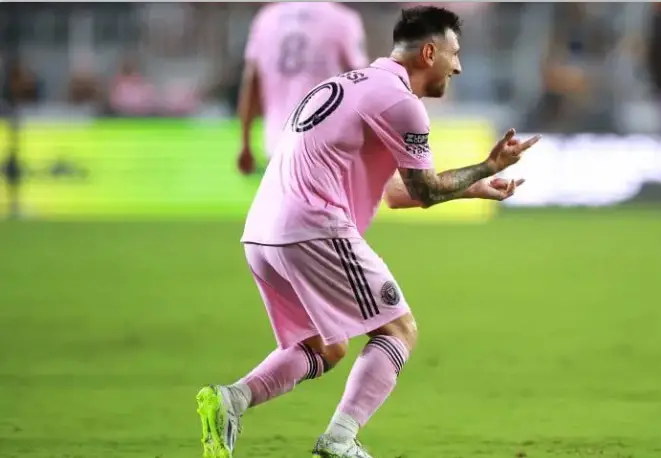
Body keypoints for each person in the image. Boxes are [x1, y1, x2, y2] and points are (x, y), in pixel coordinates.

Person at [197, 6, 539, 458]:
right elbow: (426, 190)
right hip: (314, 228)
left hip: (263, 234)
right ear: (429, 53)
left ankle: (231, 400)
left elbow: (397, 193)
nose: (457, 66)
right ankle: (339, 440)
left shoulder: (348, 85)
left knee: (327, 346)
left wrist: (473, 187)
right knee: (398, 329)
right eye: (454, 54)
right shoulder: (401, 103)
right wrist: (488, 165)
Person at [237, 2, 369, 175]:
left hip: (277, 142)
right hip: (325, 144)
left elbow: (252, 81)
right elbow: (361, 82)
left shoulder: (267, 18)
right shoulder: (342, 19)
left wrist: (245, 142)